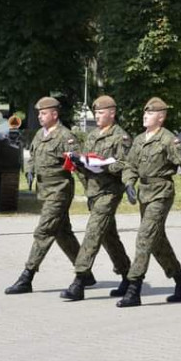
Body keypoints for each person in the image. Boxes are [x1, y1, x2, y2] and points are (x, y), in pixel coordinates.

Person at [116, 97, 181, 307]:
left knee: (144, 237)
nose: (145, 115)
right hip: (144, 193)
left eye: (150, 113)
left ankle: (134, 288)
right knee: (157, 241)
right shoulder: (140, 139)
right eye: (145, 112)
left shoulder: (169, 140)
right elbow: (130, 166)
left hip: (161, 193)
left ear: (161, 117)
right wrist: (129, 184)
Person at [4, 97, 84, 295]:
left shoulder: (66, 137)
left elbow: (79, 165)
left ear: (54, 115)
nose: (40, 116)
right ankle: (85, 270)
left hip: (59, 191)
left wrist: (91, 191)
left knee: (44, 232)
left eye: (43, 113)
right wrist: (30, 169)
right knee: (62, 233)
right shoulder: (40, 134)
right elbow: (32, 155)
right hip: (45, 191)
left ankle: (27, 276)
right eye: (39, 113)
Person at [58, 95, 133, 301]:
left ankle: (79, 280)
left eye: (101, 113)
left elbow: (125, 165)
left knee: (93, 232)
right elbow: (86, 159)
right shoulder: (92, 136)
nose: (97, 117)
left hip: (110, 192)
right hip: (94, 191)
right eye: (96, 113)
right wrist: (79, 162)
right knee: (109, 236)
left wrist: (105, 165)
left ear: (112, 113)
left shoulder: (121, 137)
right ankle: (128, 276)